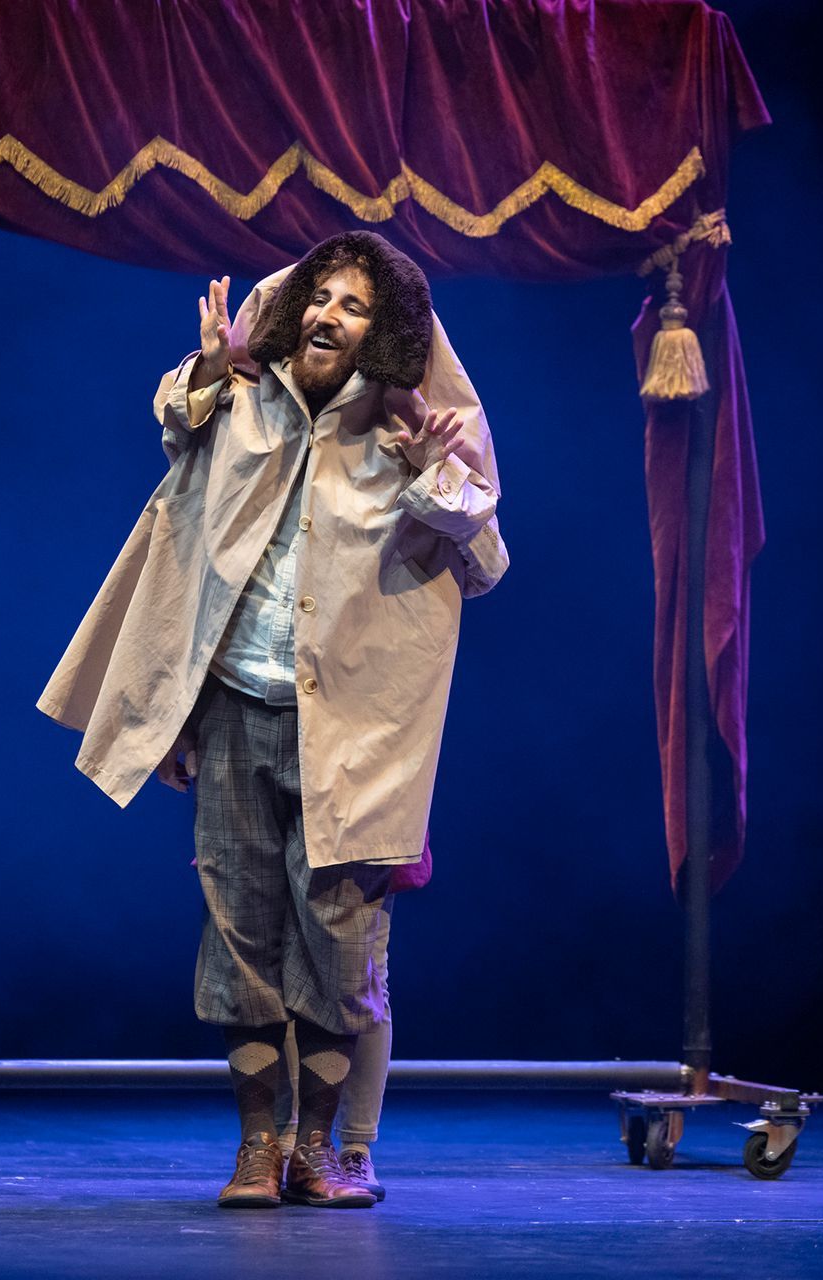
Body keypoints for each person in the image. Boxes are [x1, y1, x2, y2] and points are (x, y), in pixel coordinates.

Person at [37, 231, 506, 1208]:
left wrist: (430, 470)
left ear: (387, 332)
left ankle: (324, 1150)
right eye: (320, 297)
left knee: (338, 944)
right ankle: (259, 1146)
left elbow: (485, 554)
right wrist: (211, 369)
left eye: (355, 305)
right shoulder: (243, 400)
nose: (329, 314)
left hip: (352, 732)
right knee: (239, 935)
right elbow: (176, 431)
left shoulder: (407, 437)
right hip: (237, 712)